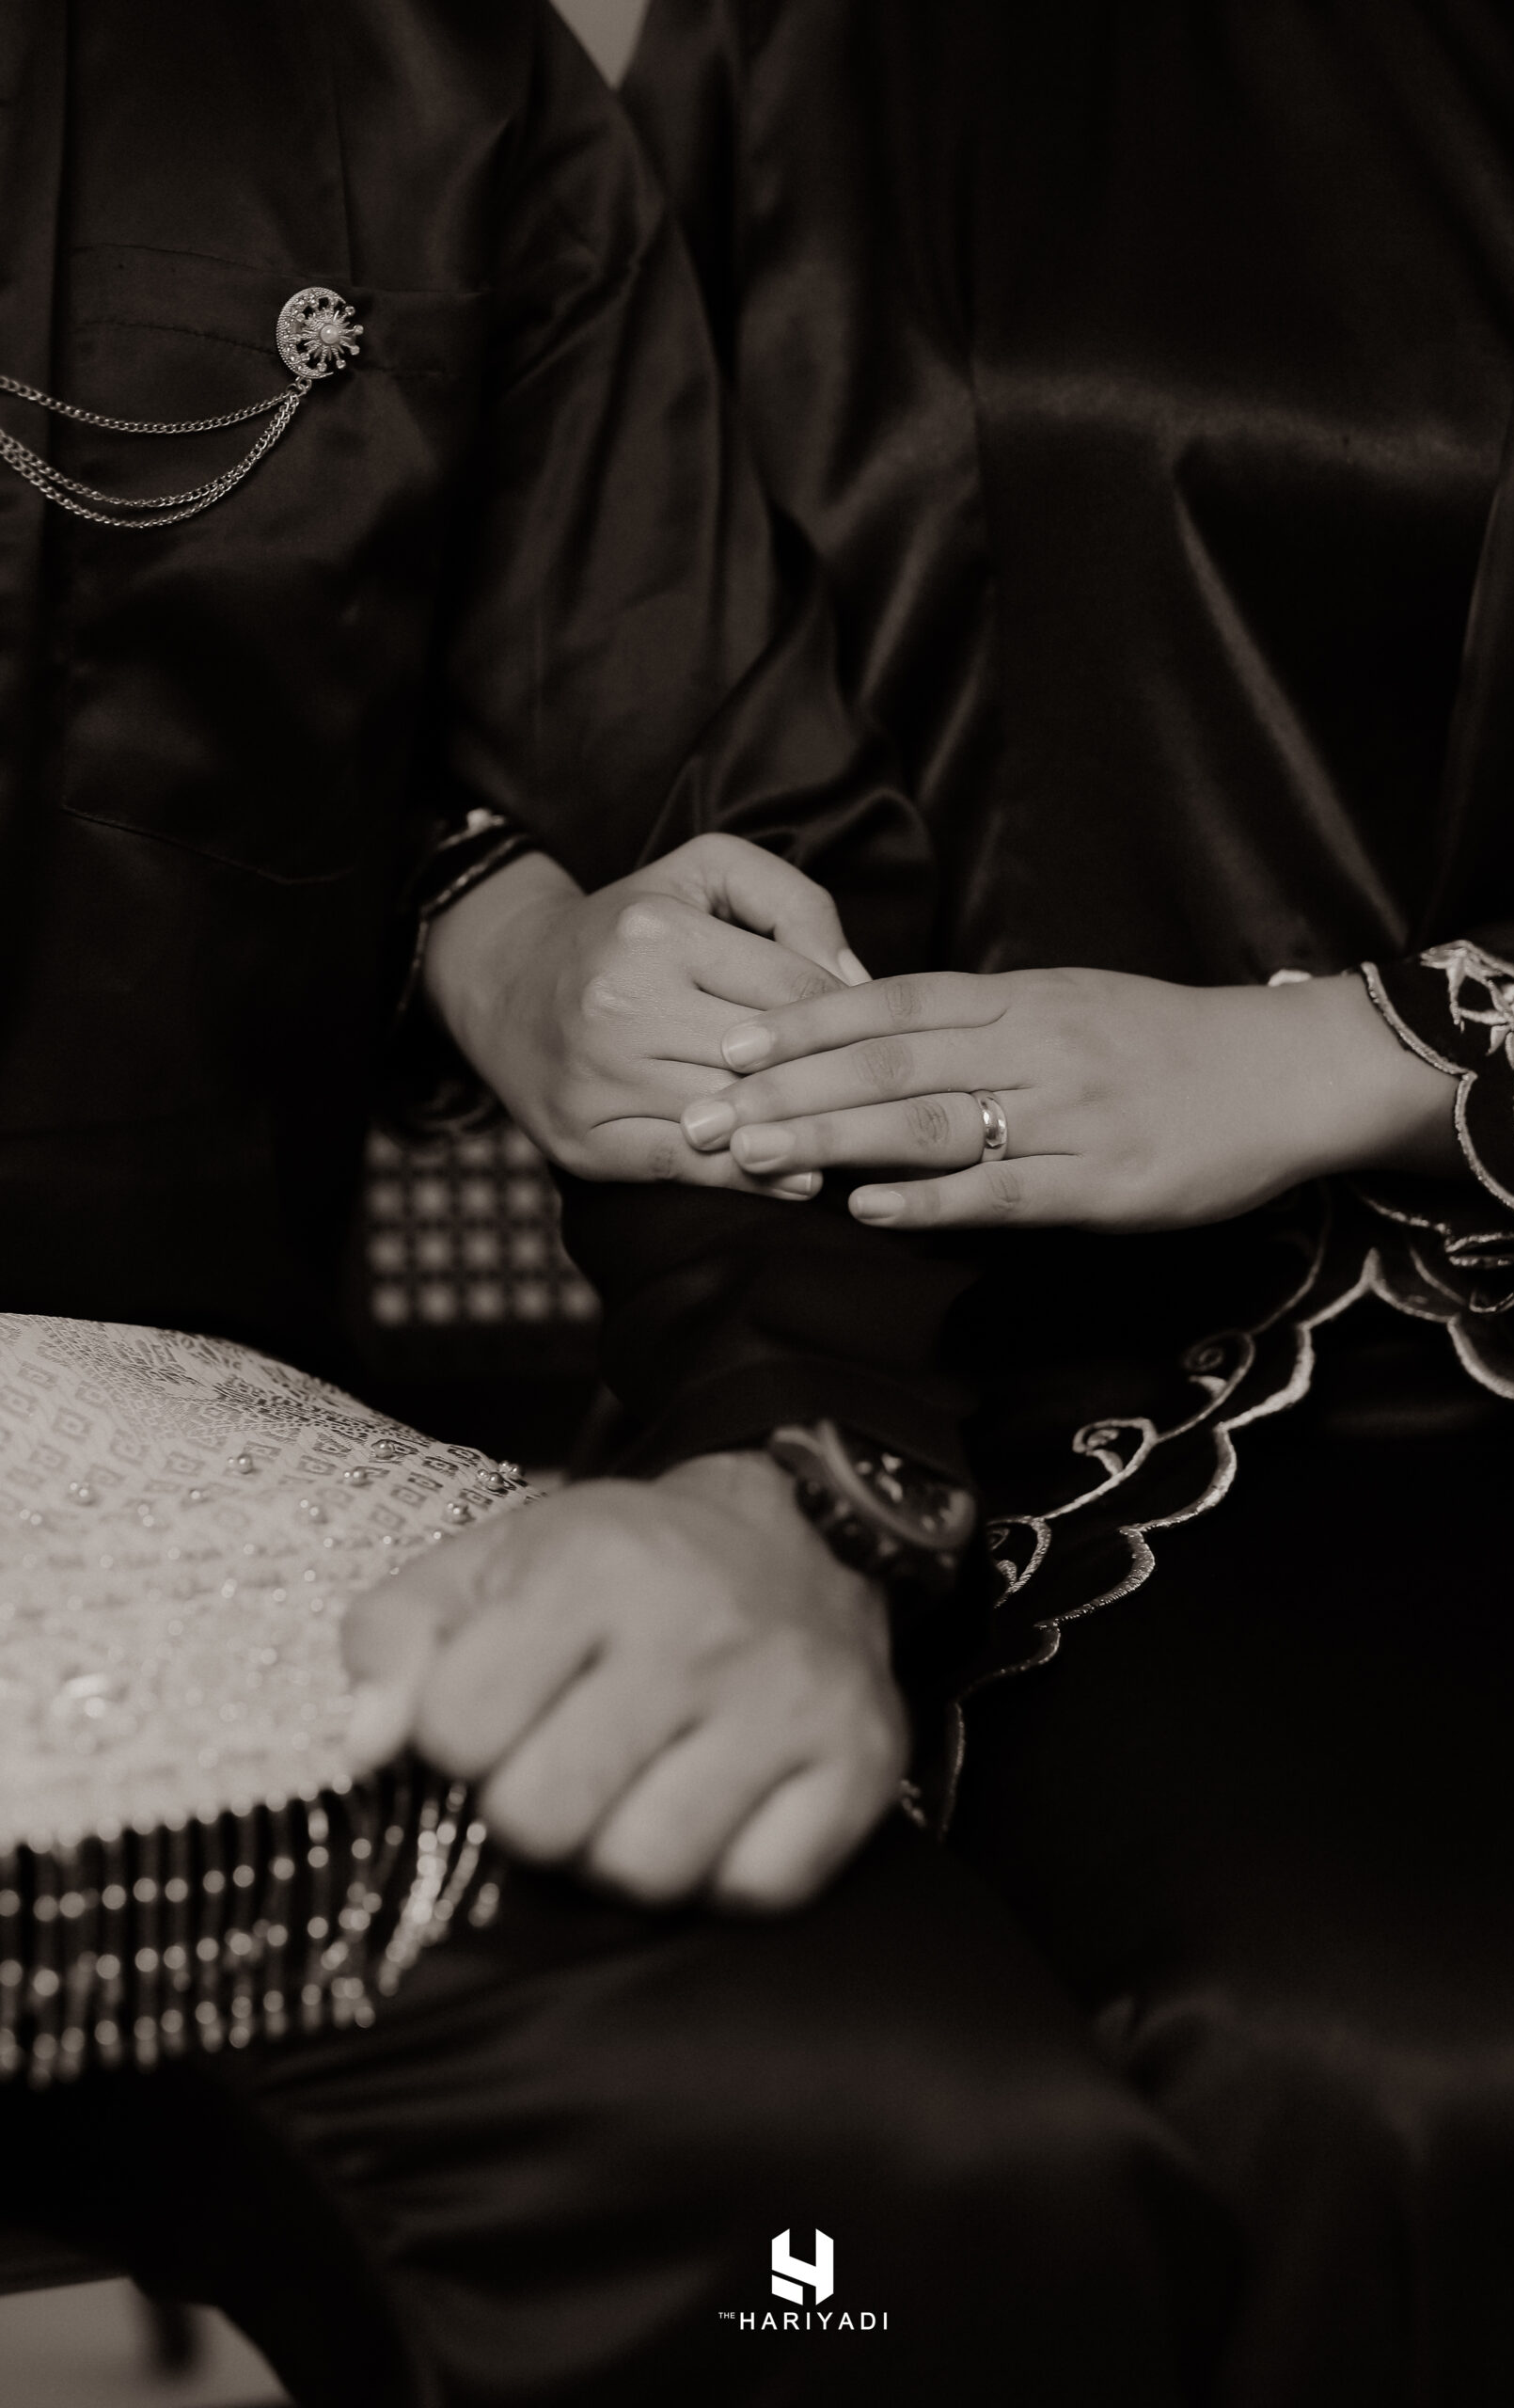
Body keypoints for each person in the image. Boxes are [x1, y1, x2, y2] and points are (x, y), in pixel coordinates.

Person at [0, 3, 1235, 2400]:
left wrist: (788, 1493)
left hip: (152, 1528)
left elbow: (731, 861)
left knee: (899, 2193)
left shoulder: (416, 89)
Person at [512, 1, 1514, 2400]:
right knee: (1370, 2045)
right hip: (1012, 1374)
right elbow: (573, 664)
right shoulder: (811, 56)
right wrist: (517, 939)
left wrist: (1346, 1055)